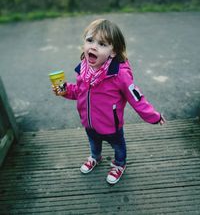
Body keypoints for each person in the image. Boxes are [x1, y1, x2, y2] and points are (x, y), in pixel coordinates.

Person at [52, 18, 165, 185]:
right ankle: (95, 157)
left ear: (113, 52)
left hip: (112, 125)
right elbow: (79, 91)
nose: (94, 46)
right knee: (93, 142)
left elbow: (136, 97)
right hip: (89, 122)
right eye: (90, 40)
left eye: (102, 44)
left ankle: (119, 164)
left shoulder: (119, 74)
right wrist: (65, 90)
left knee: (118, 146)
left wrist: (153, 116)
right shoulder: (84, 69)